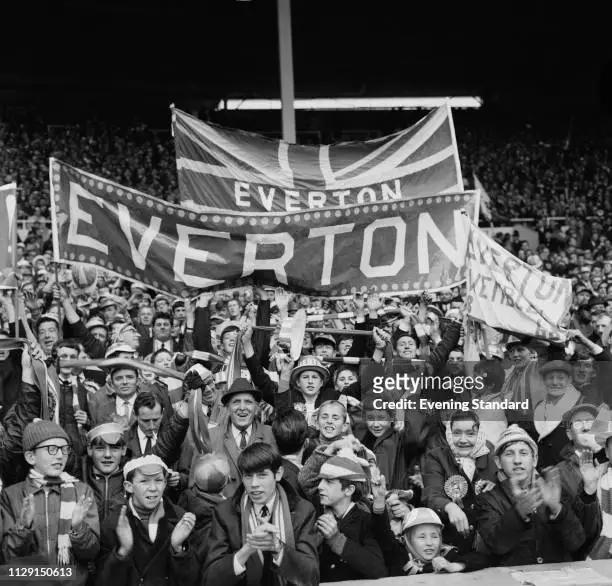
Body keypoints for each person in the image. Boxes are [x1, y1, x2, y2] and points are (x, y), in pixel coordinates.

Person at [203, 442, 319, 586]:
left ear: (278, 474)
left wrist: (278, 548)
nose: (254, 484)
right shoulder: (224, 513)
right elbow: (210, 579)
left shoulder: (302, 511)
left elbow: (311, 578)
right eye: (248, 476)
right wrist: (246, 551)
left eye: (262, 475)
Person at [0, 420, 100, 586]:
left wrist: (77, 529)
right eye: (51, 449)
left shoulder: (81, 492)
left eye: (65, 449)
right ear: (30, 457)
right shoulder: (11, 496)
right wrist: (23, 528)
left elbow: (91, 554)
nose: (60, 455)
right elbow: (7, 558)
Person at [477, 425, 593, 565]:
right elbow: (496, 545)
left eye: (524, 453)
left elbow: (576, 543)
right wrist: (519, 513)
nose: (517, 460)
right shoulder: (489, 499)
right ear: (498, 462)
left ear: (535, 459)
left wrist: (557, 509)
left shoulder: (555, 490)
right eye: (509, 454)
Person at [96, 455, 199, 586]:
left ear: (165, 484)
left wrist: (178, 549)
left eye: (158, 480)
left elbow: (194, 579)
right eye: (144, 481)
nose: (153, 488)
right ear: (129, 486)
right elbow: (102, 581)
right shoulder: (113, 524)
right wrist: (122, 552)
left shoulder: (180, 520)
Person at [421, 410, 497, 553]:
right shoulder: (437, 456)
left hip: (489, 543)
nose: (463, 440)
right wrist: (450, 506)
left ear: (479, 435)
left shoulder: (491, 455)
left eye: (470, 433)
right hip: (452, 544)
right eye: (457, 433)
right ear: (449, 434)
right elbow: (432, 494)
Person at [316, 448, 388, 581]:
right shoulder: (314, 513)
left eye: (329, 481)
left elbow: (378, 569)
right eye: (321, 480)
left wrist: (337, 540)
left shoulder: (365, 520)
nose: (320, 486)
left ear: (349, 490)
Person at [83, 423, 128, 522]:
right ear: (90, 450)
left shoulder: (132, 478)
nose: (107, 455)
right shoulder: (80, 476)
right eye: (100, 448)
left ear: (123, 450)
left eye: (114, 448)